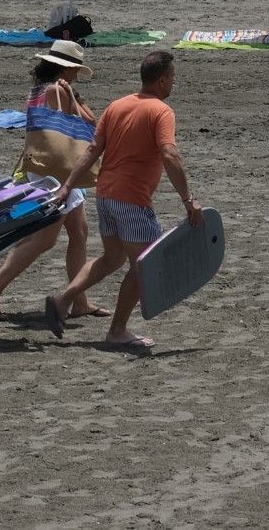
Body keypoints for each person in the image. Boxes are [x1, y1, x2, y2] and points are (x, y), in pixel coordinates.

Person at [44, 51, 201, 354]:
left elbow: (92, 151)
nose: (173, 83)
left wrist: (67, 186)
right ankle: (117, 331)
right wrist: (188, 199)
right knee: (146, 265)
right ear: (163, 79)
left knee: (112, 258)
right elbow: (169, 154)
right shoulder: (161, 111)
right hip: (131, 199)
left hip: (106, 195)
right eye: (173, 78)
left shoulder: (117, 106)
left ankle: (63, 300)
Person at [0, 42, 107, 321]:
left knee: (79, 232)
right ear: (66, 68)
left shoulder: (39, 89)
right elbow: (92, 122)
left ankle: (79, 300)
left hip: (47, 166)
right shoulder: (59, 90)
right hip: (58, 172)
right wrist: (75, 96)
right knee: (44, 239)